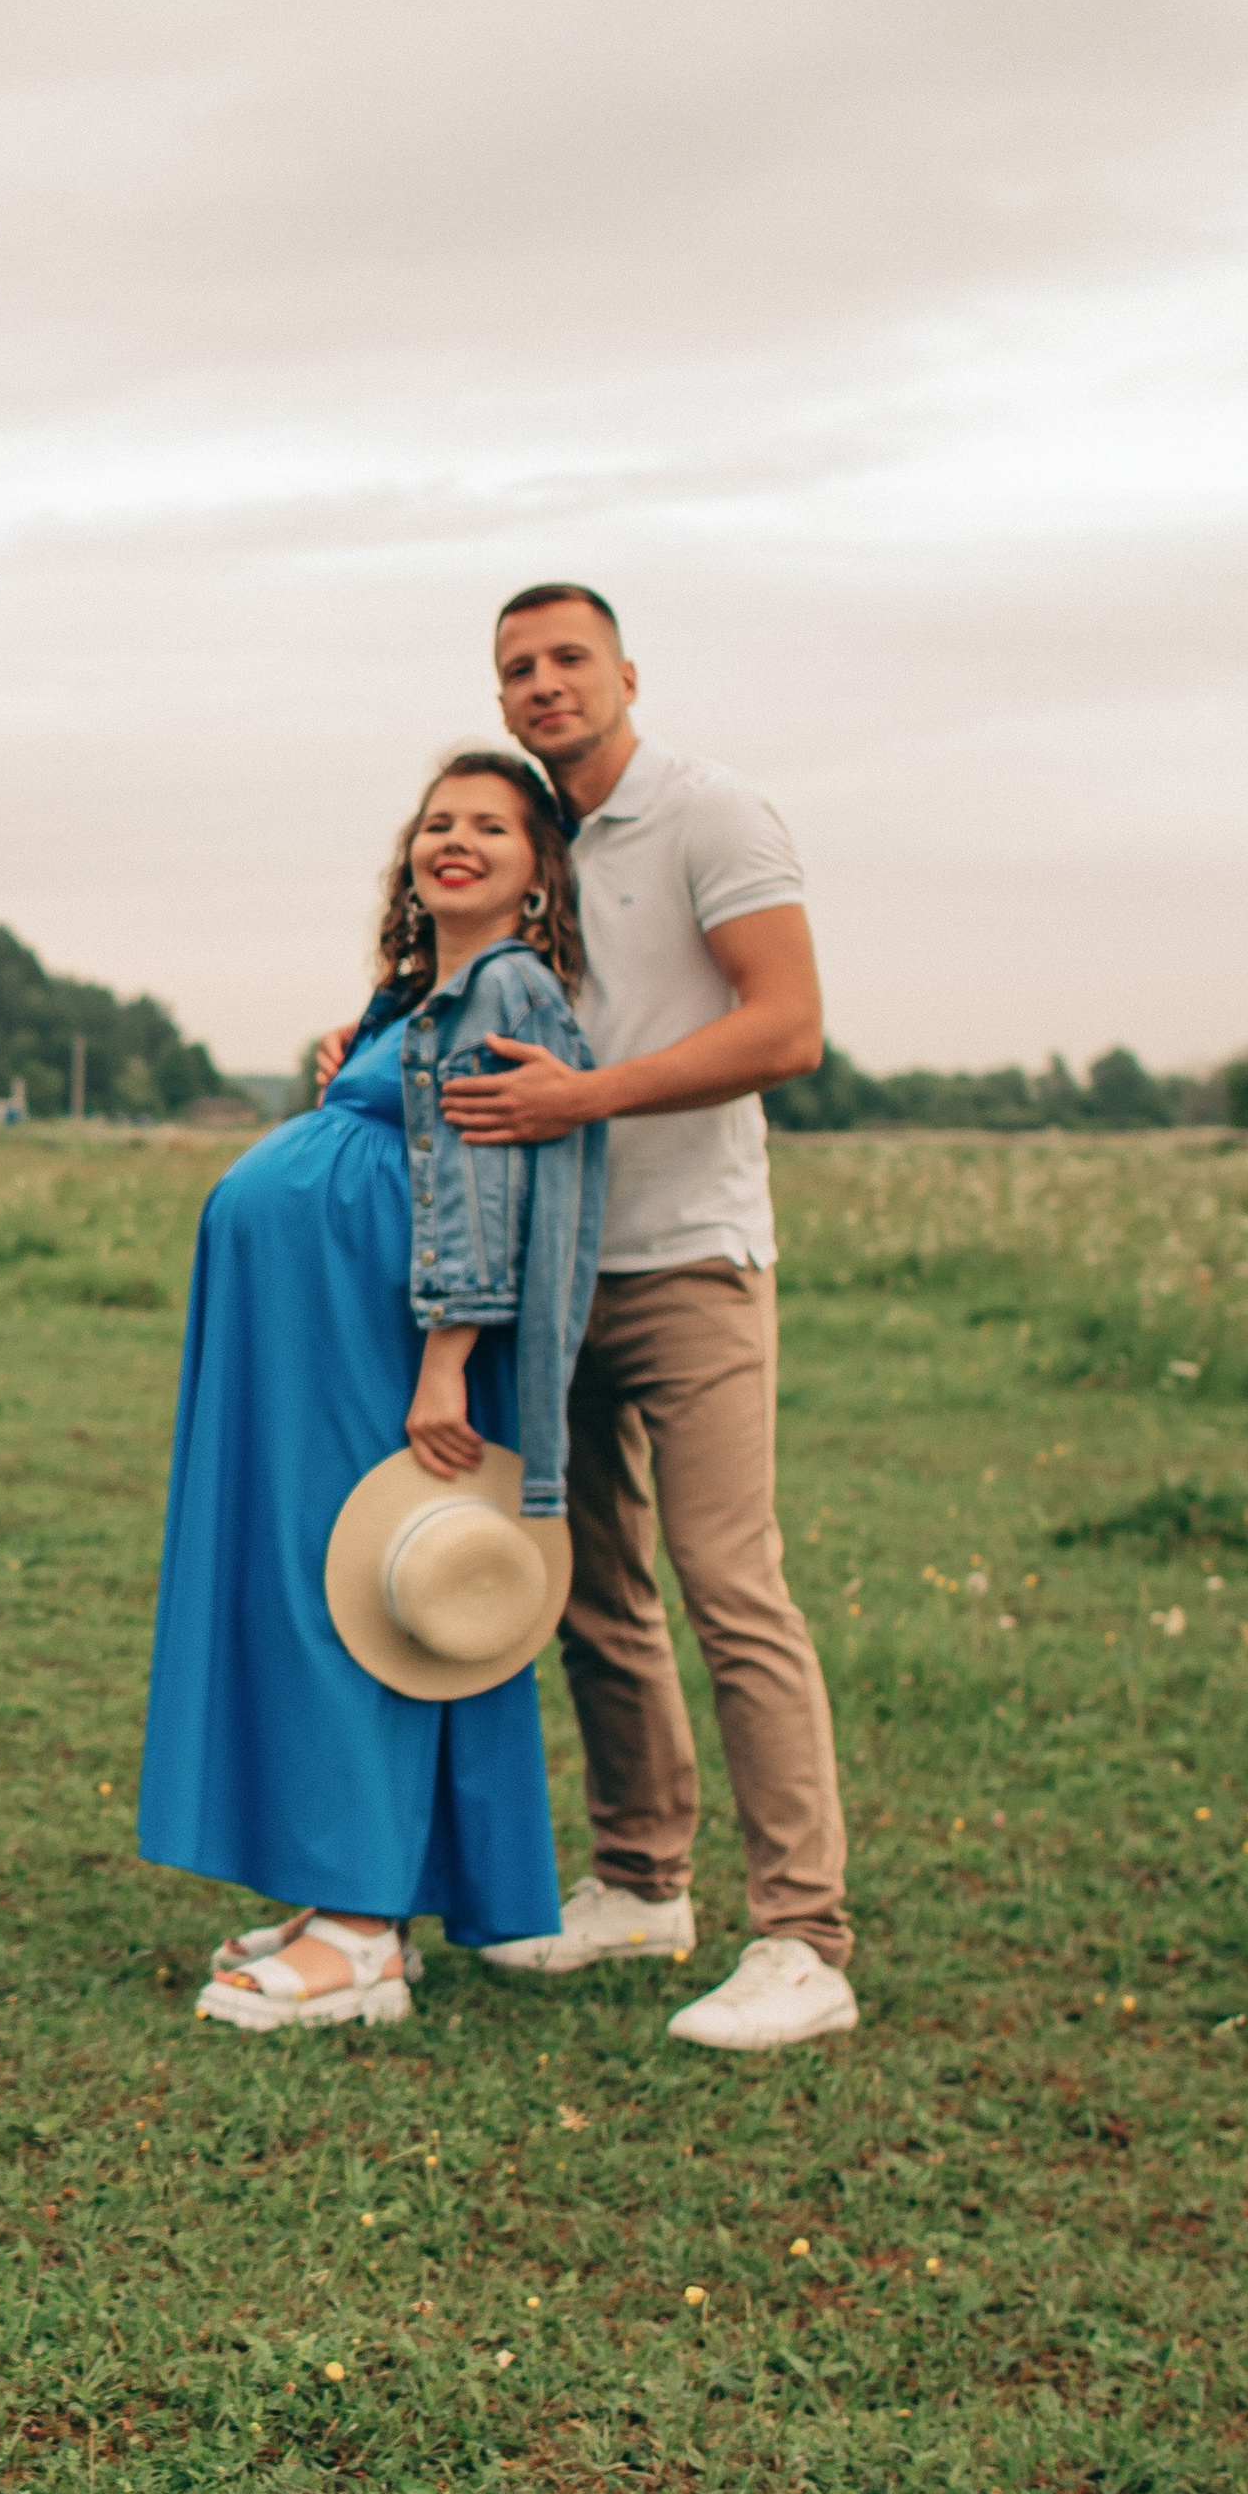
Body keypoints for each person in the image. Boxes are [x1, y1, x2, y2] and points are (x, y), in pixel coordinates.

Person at [383, 582, 853, 2050]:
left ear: (625, 673)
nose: (542, 682)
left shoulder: (716, 816)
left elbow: (788, 1027)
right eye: (516, 666)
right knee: (591, 1588)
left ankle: (805, 1941)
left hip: (694, 1258)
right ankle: (645, 1879)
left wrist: (586, 1097)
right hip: (553, 1272)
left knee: (731, 1582)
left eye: (567, 657)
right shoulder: (540, 840)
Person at [140, 751, 604, 2027]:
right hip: (321, 1338)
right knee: (320, 1591)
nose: (454, 842)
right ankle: (341, 1889)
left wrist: (448, 1356)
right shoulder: (425, 993)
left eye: (490, 828)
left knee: (361, 1605)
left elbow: (492, 1178)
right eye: (436, 824)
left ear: (538, 871)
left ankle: (360, 1937)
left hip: (384, 1345)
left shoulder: (508, 984)